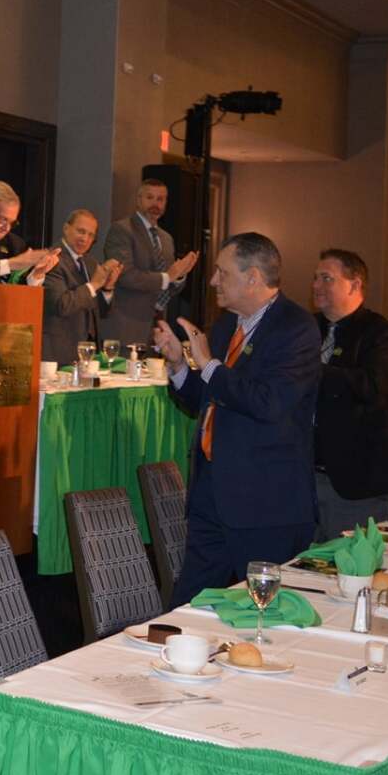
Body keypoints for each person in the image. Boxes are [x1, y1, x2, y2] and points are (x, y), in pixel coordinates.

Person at [151, 232, 321, 604]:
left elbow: (268, 403)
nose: (213, 281)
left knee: (265, 617)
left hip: (265, 506)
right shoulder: (228, 324)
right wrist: (180, 365)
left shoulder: (296, 328)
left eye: (221, 273)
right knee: (188, 610)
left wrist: (209, 364)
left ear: (253, 278)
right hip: (211, 497)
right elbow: (208, 400)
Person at [310, 249, 388, 536]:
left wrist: (310, 370)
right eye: (315, 278)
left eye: (326, 278)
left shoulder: (384, 334)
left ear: (355, 285)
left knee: (354, 575)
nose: (316, 286)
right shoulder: (304, 329)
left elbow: (376, 389)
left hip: (357, 486)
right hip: (303, 479)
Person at [100, 177, 199, 347]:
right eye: (150, 197)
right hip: (125, 327)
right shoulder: (121, 230)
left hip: (157, 329)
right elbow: (126, 276)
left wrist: (180, 276)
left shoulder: (166, 238)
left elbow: (170, 287)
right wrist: (169, 276)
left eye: (160, 199)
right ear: (138, 200)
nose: (155, 204)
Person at [34, 209, 122, 362]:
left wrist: (108, 288)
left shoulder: (91, 263)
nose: (85, 239)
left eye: (90, 235)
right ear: (66, 228)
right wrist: (94, 285)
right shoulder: (51, 260)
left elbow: (101, 312)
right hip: (58, 351)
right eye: (81, 231)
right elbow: (62, 305)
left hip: (87, 353)